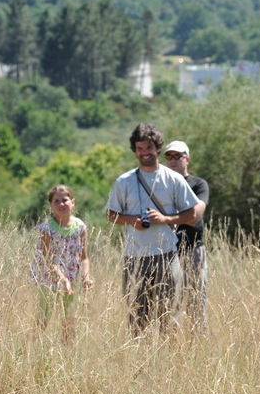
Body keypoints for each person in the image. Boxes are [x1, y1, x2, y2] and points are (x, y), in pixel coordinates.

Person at [106, 124, 201, 337]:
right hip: (134, 257)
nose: (144, 153)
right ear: (135, 150)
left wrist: (164, 219)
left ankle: (169, 363)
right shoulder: (124, 181)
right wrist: (131, 220)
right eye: (139, 148)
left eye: (148, 147)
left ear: (157, 148)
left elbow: (192, 215)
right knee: (136, 317)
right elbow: (111, 215)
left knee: (169, 315)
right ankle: (140, 361)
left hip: (166, 255)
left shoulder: (173, 179)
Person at [29, 184, 93, 343]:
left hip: (73, 278)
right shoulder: (46, 229)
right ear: (51, 205)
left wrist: (85, 278)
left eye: (64, 200)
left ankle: (68, 355)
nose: (61, 204)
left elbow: (84, 257)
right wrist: (62, 279)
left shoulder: (80, 226)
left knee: (70, 321)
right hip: (50, 279)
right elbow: (48, 259)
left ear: (73, 202)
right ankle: (30, 351)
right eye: (56, 201)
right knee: (43, 319)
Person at [163, 140, 210, 337]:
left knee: (196, 299)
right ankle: (172, 343)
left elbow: (195, 216)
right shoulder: (161, 185)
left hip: (192, 248)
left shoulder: (198, 184)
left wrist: (166, 218)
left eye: (178, 156)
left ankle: (199, 344)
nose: (173, 160)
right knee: (169, 300)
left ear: (187, 159)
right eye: (169, 157)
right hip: (166, 251)